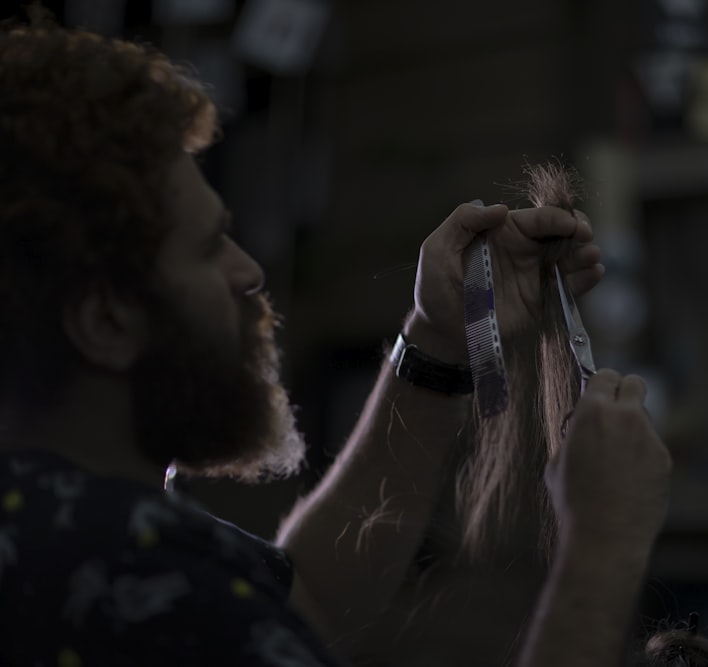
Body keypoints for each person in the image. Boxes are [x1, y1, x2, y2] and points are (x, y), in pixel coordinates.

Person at [0, 10, 673, 667]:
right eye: (208, 248)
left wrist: (436, 338)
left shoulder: (78, 529)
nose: (248, 269)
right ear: (105, 321)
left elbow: (307, 601)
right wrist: (603, 545)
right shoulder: (131, 576)